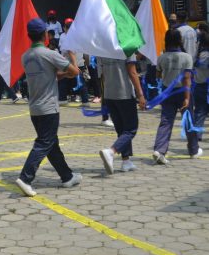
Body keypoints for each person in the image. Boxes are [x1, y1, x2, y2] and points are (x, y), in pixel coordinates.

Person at [15, 18, 81, 197]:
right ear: (45, 35)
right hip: (49, 108)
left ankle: (67, 176)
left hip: (35, 108)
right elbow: (74, 71)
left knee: (52, 143)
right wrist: (72, 63)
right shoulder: (50, 54)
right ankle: (25, 177)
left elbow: (46, 76)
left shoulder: (26, 56)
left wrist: (58, 76)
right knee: (45, 142)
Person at [152, 29, 201, 164]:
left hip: (167, 91)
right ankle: (193, 150)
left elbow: (158, 76)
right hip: (183, 91)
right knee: (188, 120)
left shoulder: (162, 57)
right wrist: (186, 97)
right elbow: (187, 79)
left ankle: (159, 150)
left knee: (166, 121)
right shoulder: (187, 57)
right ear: (180, 40)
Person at [97, 55, 146, 174]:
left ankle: (126, 161)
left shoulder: (101, 50)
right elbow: (132, 72)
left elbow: (101, 75)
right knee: (131, 129)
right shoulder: (127, 50)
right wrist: (140, 95)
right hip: (124, 93)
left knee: (121, 130)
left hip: (109, 94)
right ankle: (112, 151)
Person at [194, 31, 209, 138]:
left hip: (199, 86)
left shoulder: (197, 55)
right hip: (206, 87)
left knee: (199, 112)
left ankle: (197, 136)